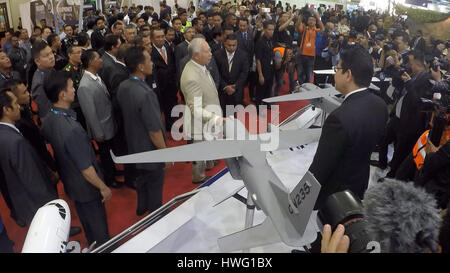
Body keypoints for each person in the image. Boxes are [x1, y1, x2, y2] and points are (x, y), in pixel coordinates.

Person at [309, 47, 388, 210]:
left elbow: (320, 169)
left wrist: (305, 199)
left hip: (335, 196)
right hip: (359, 183)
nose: (335, 73)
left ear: (348, 75)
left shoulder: (338, 119)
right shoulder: (380, 105)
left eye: (337, 69)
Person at [41, 71, 111, 247]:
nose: (75, 90)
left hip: (72, 184)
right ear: (62, 94)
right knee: (100, 231)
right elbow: (86, 168)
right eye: (72, 87)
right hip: (86, 187)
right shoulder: (71, 129)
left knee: (88, 225)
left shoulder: (50, 118)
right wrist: (103, 187)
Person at [117, 46, 171, 215]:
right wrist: (166, 155)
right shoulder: (146, 94)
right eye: (149, 60)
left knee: (141, 180)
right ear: (140, 66)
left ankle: (142, 207)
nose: (153, 63)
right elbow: (154, 131)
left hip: (133, 146)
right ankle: (156, 217)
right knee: (155, 185)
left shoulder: (123, 86)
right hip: (150, 151)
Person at [0, 89, 58, 226]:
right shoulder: (15, 141)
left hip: (24, 202)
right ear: (6, 110)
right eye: (15, 103)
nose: (19, 106)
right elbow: (33, 181)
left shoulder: (4, 134)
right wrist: (52, 206)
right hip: (37, 206)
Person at [180, 38, 224, 183]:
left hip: (207, 118)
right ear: (196, 55)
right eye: (207, 51)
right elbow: (196, 109)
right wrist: (216, 119)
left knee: (206, 146)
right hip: (198, 123)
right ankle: (199, 178)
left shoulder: (199, 65)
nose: (211, 54)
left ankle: (208, 165)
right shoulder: (191, 76)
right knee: (199, 152)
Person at [78, 49, 121, 189]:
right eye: (98, 58)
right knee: (105, 155)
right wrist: (98, 133)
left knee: (110, 153)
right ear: (91, 62)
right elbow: (90, 113)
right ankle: (110, 178)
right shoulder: (85, 86)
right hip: (101, 128)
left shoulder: (96, 76)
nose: (101, 60)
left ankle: (114, 171)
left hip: (108, 123)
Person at [387, 50, 433, 178]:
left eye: (411, 63)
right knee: (397, 148)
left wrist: (409, 82)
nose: (409, 66)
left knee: (401, 152)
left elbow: (417, 101)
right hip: (401, 119)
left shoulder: (426, 79)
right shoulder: (414, 75)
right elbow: (397, 84)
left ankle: (393, 177)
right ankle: (392, 173)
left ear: (417, 63)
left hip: (412, 124)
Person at [151, 28, 178, 132]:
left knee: (170, 108)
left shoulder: (167, 47)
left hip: (170, 85)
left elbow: (172, 64)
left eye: (162, 36)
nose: (161, 39)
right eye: (158, 37)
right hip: (158, 87)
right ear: (152, 39)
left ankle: (170, 126)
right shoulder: (150, 52)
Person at [214, 34, 249, 112]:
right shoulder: (217, 55)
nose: (232, 47)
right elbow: (216, 73)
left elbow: (244, 73)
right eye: (229, 45)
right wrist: (225, 86)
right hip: (222, 91)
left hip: (236, 91)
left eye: (234, 45)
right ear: (225, 44)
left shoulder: (243, 55)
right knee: (221, 112)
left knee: (232, 113)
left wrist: (235, 86)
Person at [296, 8, 325, 85]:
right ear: (307, 21)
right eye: (310, 20)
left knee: (309, 75)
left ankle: (307, 88)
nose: (311, 21)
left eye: (313, 20)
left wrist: (316, 15)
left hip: (312, 56)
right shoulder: (304, 29)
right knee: (299, 73)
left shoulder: (317, 31)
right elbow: (297, 27)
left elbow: (323, 28)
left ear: (315, 22)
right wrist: (300, 17)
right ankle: (300, 87)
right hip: (302, 54)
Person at [31, 42, 55, 120]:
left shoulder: (51, 69)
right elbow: (45, 115)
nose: (51, 57)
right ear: (37, 61)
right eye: (47, 55)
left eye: (51, 53)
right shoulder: (39, 83)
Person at [63, 45, 86, 130]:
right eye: (78, 53)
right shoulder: (67, 71)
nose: (81, 55)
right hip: (77, 105)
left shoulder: (81, 66)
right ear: (69, 55)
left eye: (81, 52)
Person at [254, 21, 275, 108]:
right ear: (264, 30)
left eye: (272, 30)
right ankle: (259, 107)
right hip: (262, 69)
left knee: (268, 88)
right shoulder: (260, 42)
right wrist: (260, 74)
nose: (271, 31)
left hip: (270, 68)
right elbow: (258, 59)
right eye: (269, 29)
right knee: (260, 91)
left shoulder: (270, 40)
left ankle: (267, 104)